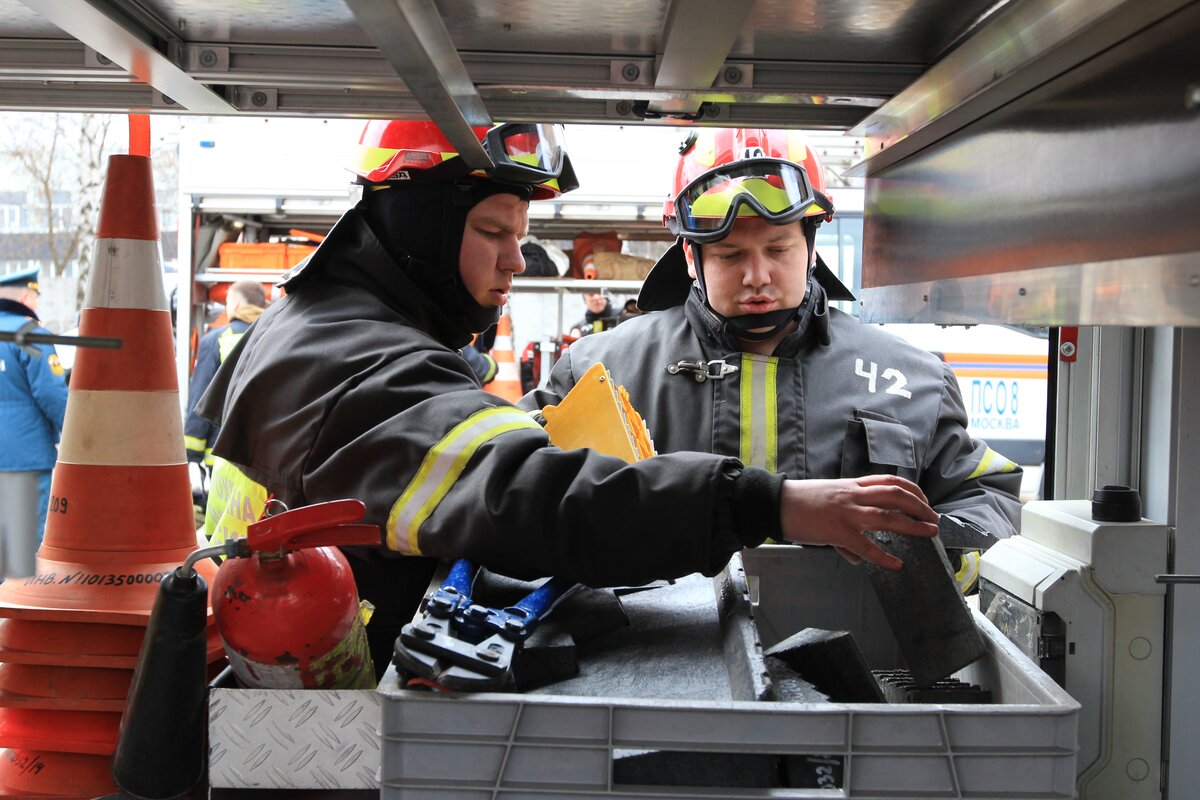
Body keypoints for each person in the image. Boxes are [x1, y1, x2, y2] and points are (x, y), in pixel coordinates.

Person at [196, 120, 941, 678]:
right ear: (417, 228)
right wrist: (768, 504)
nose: (519, 260)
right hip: (327, 718)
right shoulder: (347, 357)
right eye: (492, 230)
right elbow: (523, 493)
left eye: (778, 247)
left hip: (327, 687)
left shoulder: (355, 333)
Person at [522, 128, 1022, 581]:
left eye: (779, 249)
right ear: (690, 259)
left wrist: (940, 567)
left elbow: (985, 498)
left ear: (812, 245)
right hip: (655, 660)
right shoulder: (597, 372)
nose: (757, 276)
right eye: (730, 255)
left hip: (862, 667)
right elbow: (514, 485)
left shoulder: (914, 379)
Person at [0, 267, 68, 575]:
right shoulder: (30, 334)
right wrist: (75, 436)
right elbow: (51, 393)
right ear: (27, 296)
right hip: (22, 455)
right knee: (21, 546)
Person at [184, 280, 267, 472]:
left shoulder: (216, 340)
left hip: (220, 456)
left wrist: (191, 456)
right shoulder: (275, 338)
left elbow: (201, 398)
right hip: (261, 460)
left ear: (236, 305)